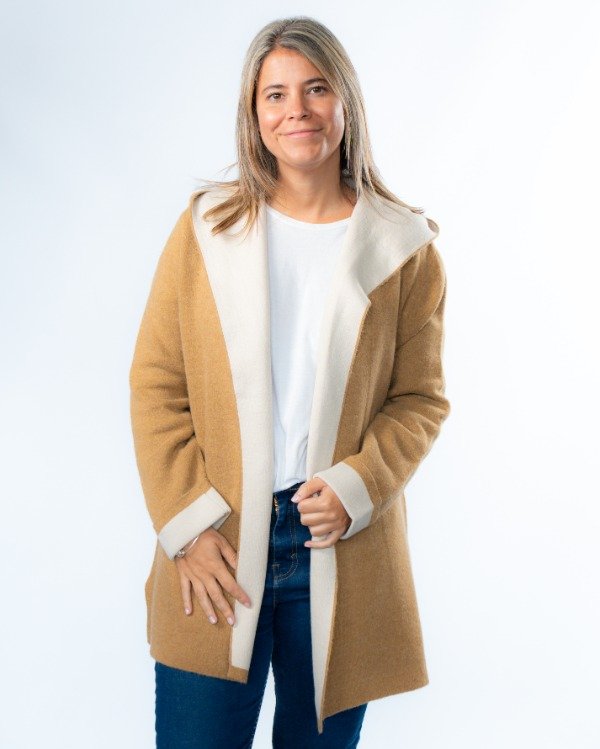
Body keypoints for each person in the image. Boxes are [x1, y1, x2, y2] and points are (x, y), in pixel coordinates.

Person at [129, 15, 451, 749]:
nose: (296, 110)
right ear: (254, 113)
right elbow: (156, 382)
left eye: (315, 88)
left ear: (346, 102)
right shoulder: (208, 228)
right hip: (217, 545)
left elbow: (420, 399)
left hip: (340, 547)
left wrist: (358, 485)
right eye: (275, 94)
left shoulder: (405, 247)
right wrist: (186, 525)